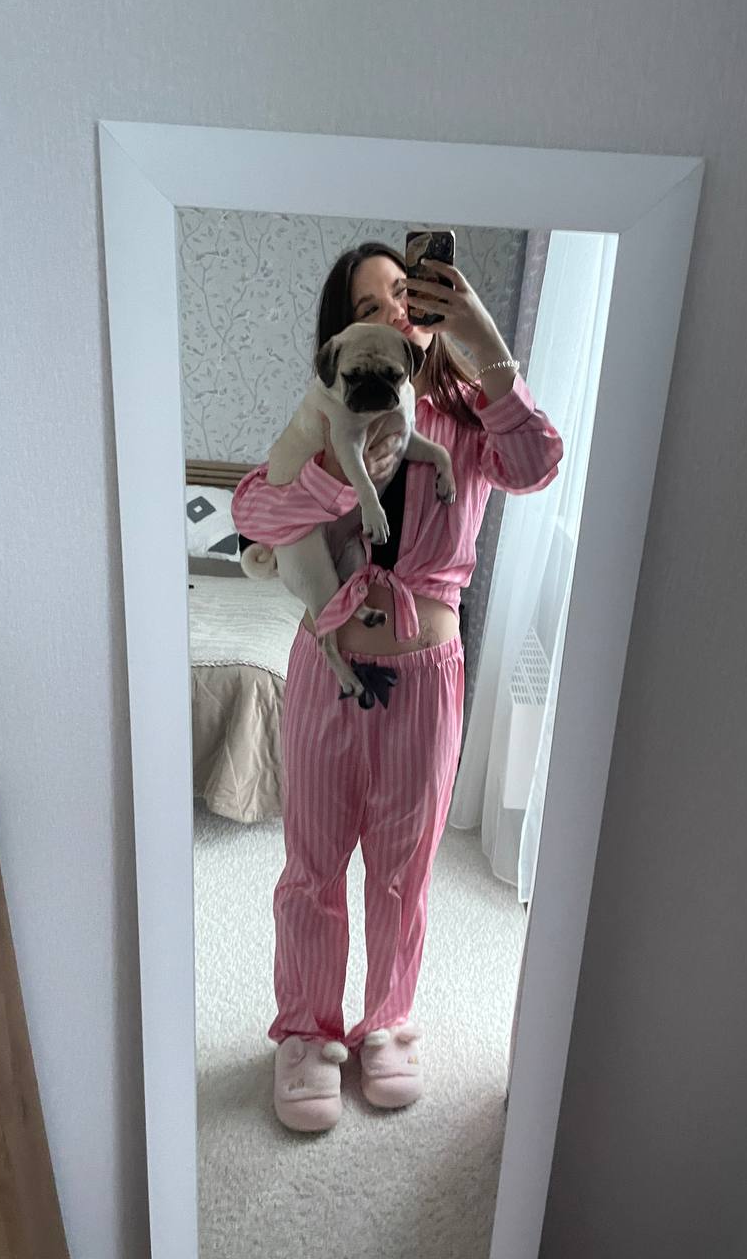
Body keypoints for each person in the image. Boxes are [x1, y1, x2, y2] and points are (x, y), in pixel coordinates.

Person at [231, 241, 563, 1132]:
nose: (393, 314)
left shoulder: (468, 420)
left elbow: (539, 464)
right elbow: (251, 515)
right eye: (368, 306)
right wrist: (336, 473)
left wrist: (486, 346)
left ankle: (387, 1021)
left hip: (426, 679)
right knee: (311, 866)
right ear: (344, 339)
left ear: (436, 312)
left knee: (403, 869)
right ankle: (306, 1031)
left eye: (407, 296)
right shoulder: (323, 423)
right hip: (326, 669)